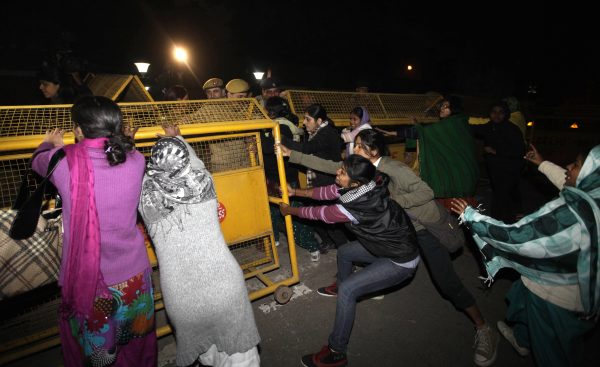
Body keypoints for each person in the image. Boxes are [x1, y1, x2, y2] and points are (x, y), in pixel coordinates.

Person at [281, 129, 500, 366]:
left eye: (359, 147)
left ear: (373, 152)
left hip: (421, 228)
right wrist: (293, 154)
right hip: (393, 230)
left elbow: (426, 192)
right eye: (354, 146)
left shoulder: (392, 169)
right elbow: (330, 169)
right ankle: (354, 284)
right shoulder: (359, 171)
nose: (353, 150)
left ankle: (484, 328)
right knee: (350, 255)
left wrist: (392, 203)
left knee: (446, 282)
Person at [32, 96, 156, 366]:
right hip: (134, 276)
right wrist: (127, 140)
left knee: (101, 357)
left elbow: (37, 161)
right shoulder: (136, 160)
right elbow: (123, 152)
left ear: (78, 129)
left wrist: (50, 144)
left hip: (90, 283)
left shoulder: (62, 160)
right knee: (136, 345)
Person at [450, 145, 599, 367]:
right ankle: (521, 339)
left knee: (553, 352)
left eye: (576, 165)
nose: (568, 166)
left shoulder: (569, 216)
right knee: (519, 301)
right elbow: (570, 182)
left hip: (555, 296)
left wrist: (471, 217)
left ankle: (530, 341)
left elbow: (517, 237)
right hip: (567, 283)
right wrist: (543, 163)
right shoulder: (592, 196)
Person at [279, 155, 420, 367]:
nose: (337, 172)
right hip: (386, 244)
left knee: (349, 290)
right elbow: (324, 192)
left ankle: (337, 353)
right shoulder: (366, 184)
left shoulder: (354, 206)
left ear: (355, 183)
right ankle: (341, 287)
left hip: (400, 259)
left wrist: (290, 210)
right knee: (345, 252)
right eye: (341, 168)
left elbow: (320, 213)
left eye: (342, 172)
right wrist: (295, 192)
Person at [139, 127, 261, 367]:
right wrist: (177, 138)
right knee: (241, 359)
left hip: (181, 298)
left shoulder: (145, 199)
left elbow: (131, 173)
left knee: (208, 357)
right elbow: (196, 163)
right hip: (224, 288)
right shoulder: (203, 184)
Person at [376, 96, 479, 208]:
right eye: (442, 106)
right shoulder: (458, 122)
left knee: (458, 208)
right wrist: (416, 126)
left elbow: (424, 133)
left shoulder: (452, 124)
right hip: (465, 171)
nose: (442, 109)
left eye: (446, 106)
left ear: (454, 109)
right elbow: (426, 132)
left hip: (460, 173)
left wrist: (395, 132)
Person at [281, 103, 346, 258]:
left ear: (319, 120)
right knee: (316, 216)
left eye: (308, 119)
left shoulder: (327, 133)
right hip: (320, 178)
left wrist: (281, 138)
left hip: (328, 180)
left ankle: (346, 250)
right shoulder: (318, 131)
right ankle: (331, 242)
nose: (304, 122)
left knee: (330, 220)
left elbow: (307, 149)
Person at [471, 101, 526, 223]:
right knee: (506, 194)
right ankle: (514, 217)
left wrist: (496, 151)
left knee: (502, 197)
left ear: (506, 114)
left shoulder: (511, 129)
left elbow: (520, 150)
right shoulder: (490, 126)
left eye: (501, 112)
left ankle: (498, 223)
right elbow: (474, 128)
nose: (497, 115)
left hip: (509, 168)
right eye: (494, 112)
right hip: (496, 168)